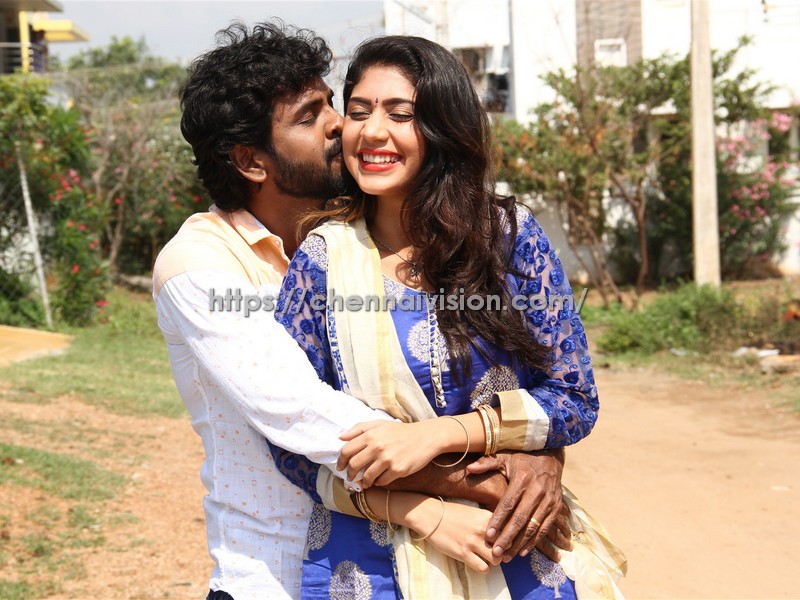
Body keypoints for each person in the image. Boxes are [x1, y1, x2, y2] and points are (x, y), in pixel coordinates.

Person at [153, 22, 573, 600]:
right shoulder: (203, 266)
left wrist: (543, 451)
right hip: (280, 571)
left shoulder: (388, 240)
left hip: (454, 561)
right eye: (311, 116)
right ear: (251, 162)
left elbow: (538, 379)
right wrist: (490, 477)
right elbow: (307, 417)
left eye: (335, 104)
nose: (342, 125)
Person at [273, 36, 626, 598]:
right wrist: (434, 495)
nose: (373, 132)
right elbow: (291, 443)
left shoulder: (507, 239)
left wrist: (441, 434)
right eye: (359, 112)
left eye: (401, 114)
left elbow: (574, 398)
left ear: (443, 128)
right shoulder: (320, 263)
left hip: (514, 547)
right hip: (371, 564)